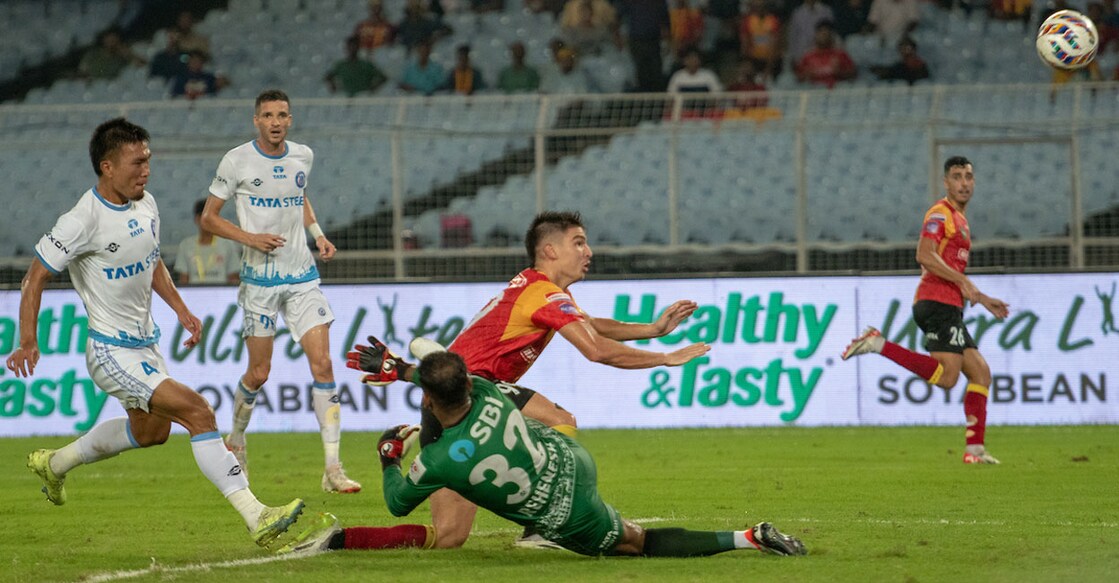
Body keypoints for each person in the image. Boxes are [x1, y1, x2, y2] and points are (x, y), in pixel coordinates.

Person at [7, 118, 303, 548]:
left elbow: (153, 262)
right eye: (137, 162)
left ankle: (55, 464)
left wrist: (181, 309)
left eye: (148, 160)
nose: (146, 170)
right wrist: (28, 340)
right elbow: (34, 277)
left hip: (145, 344)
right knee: (198, 411)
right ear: (108, 167)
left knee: (151, 433)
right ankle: (256, 514)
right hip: (110, 350)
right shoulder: (81, 220)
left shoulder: (146, 205)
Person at [351, 210, 711, 550]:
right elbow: (596, 349)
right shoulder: (542, 294)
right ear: (550, 250)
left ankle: (346, 534)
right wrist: (664, 358)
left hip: (449, 399)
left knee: (448, 536)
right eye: (579, 243)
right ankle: (540, 526)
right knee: (559, 420)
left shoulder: (542, 290)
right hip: (476, 389)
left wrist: (653, 329)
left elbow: (590, 325)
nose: (588, 251)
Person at [278, 350, 807, 559]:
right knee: (540, 440)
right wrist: (401, 368)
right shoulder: (486, 389)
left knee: (635, 544)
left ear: (431, 406)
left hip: (565, 509)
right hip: (571, 459)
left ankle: (749, 537)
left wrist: (390, 455)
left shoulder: (439, 462)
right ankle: (536, 528)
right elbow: (449, 378)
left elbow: (396, 502)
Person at [199, 89, 362, 493]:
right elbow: (209, 218)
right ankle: (237, 440)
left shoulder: (302, 156)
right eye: (268, 115)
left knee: (323, 365)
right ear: (256, 120)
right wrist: (250, 238)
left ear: (290, 119)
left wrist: (317, 233)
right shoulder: (236, 160)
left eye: (282, 115)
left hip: (302, 276)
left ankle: (333, 468)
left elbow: (298, 195)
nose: (275, 122)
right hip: (259, 281)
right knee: (259, 373)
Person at [842, 156, 1010, 465]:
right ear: (946, 182)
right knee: (947, 377)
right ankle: (877, 343)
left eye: (968, 177)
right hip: (936, 303)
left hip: (950, 305)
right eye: (957, 177)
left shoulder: (960, 220)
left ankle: (975, 451)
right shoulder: (940, 214)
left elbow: (954, 273)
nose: (964, 183)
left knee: (981, 374)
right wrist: (963, 281)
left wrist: (983, 298)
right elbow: (924, 254)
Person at [174, 198, 240, 285]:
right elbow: (183, 280)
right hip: (193, 292)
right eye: (205, 217)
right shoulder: (185, 245)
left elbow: (233, 279)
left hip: (221, 292)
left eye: (212, 218)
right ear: (197, 219)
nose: (209, 222)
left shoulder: (228, 244)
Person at [794, 21, 856, 88]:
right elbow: (798, 77)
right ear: (816, 35)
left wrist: (840, 72)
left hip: (837, 89)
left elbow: (853, 74)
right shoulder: (808, 56)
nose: (824, 36)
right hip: (814, 90)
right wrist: (807, 75)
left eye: (826, 33)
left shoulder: (840, 54)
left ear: (831, 36)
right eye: (821, 33)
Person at [79, 28, 145, 80]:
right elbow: (82, 71)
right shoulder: (93, 53)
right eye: (109, 40)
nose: (112, 43)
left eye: (114, 40)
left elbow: (141, 65)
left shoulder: (121, 57)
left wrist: (129, 55)